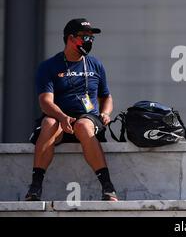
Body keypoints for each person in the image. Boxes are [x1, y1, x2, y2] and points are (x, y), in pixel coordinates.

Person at [25, 18, 118, 201]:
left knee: (83, 125)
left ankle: (108, 187)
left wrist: (106, 113)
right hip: (59, 119)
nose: (89, 41)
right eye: (85, 37)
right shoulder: (49, 66)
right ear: (70, 38)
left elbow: (106, 96)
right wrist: (62, 117)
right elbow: (45, 102)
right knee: (49, 122)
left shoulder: (95, 64)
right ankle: (35, 187)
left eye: (91, 38)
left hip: (87, 119)